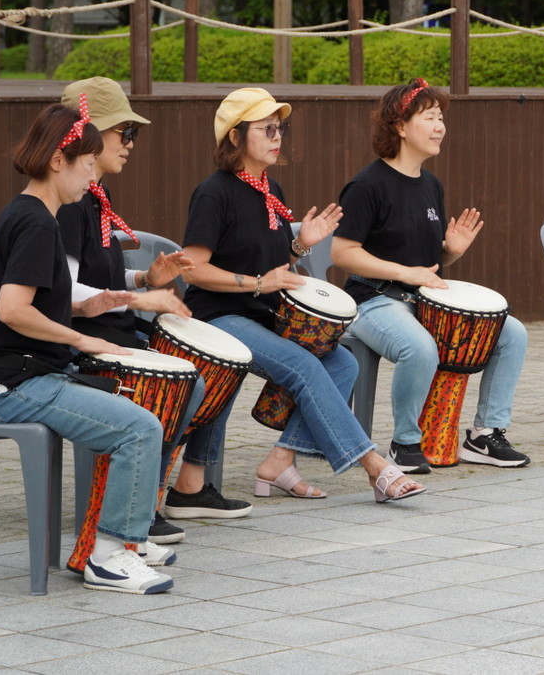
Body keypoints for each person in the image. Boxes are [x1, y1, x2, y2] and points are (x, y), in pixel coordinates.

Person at [0, 101, 174, 594]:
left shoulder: (32, 213)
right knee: (140, 428)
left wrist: (91, 307)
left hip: (21, 376)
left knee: (136, 413)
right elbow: (12, 309)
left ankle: (125, 541)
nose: (90, 175)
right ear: (59, 160)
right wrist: (83, 338)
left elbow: (42, 300)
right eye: (86, 163)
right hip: (10, 385)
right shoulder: (38, 222)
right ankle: (107, 557)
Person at [180, 87, 424, 502]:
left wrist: (299, 247)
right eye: (267, 129)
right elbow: (193, 269)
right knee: (305, 366)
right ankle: (374, 466)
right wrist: (257, 285)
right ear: (235, 137)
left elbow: (272, 266)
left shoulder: (271, 189)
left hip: (260, 314)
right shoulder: (214, 192)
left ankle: (279, 462)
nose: (278, 137)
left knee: (342, 363)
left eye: (281, 128)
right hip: (218, 317)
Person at [57, 77, 247, 546]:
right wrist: (145, 300)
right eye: (125, 133)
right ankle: (141, 501)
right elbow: (65, 291)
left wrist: (144, 279)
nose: (130, 144)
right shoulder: (68, 204)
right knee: (192, 379)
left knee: (214, 367)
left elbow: (96, 280)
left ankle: (169, 491)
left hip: (115, 333)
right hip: (86, 348)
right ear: (90, 135)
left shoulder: (94, 199)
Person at [331, 79, 530, 474]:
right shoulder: (367, 185)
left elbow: (426, 265)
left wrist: (450, 252)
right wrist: (406, 272)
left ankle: (484, 434)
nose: (440, 126)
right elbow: (343, 253)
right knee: (420, 348)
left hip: (419, 300)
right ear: (400, 126)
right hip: (372, 301)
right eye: (430, 117)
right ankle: (404, 444)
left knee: (513, 333)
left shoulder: (430, 185)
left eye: (441, 118)